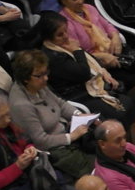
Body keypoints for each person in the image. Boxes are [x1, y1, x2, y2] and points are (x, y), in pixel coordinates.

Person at [6, 48, 95, 178]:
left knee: (102, 140)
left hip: (67, 130)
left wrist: (78, 114)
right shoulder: (21, 105)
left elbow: (60, 103)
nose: (46, 78)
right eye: (40, 75)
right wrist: (71, 137)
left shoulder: (37, 85)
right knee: (94, 168)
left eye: (46, 72)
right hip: (55, 149)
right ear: (25, 78)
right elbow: (41, 141)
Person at [54, 0, 135, 91]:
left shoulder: (89, 8)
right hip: (96, 64)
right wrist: (102, 56)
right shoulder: (64, 24)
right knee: (132, 78)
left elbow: (107, 25)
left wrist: (115, 37)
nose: (80, 1)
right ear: (63, 1)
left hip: (112, 51)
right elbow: (77, 53)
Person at [37, 12, 124, 115]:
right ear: (48, 38)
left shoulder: (64, 44)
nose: (66, 36)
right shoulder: (53, 57)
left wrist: (103, 71)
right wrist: (77, 51)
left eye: (66, 31)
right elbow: (84, 73)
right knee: (123, 107)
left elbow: (91, 59)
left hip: (87, 85)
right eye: (60, 35)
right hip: (77, 95)